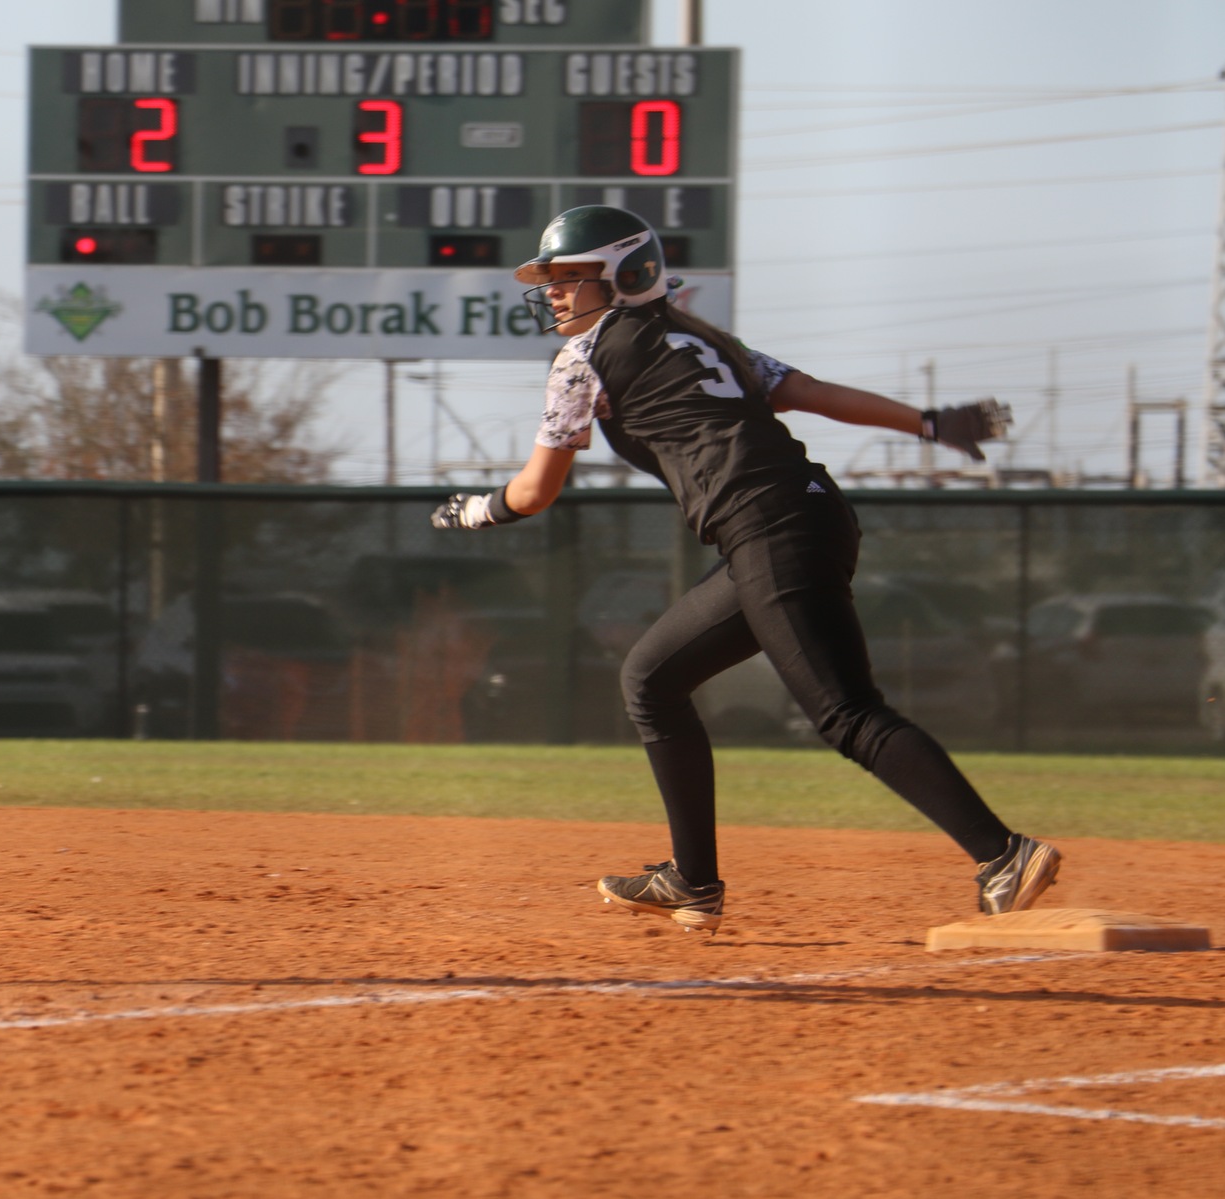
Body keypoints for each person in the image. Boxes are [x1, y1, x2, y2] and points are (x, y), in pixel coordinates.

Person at [430, 205, 1058, 933]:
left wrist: (477, 510)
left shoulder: (583, 358)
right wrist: (926, 423)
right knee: (651, 680)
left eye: (573, 278)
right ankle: (692, 880)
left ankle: (1001, 853)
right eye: (553, 281)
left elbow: (536, 492)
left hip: (769, 526)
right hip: (805, 515)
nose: (557, 294)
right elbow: (812, 393)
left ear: (627, 275)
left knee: (847, 712)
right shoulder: (709, 338)